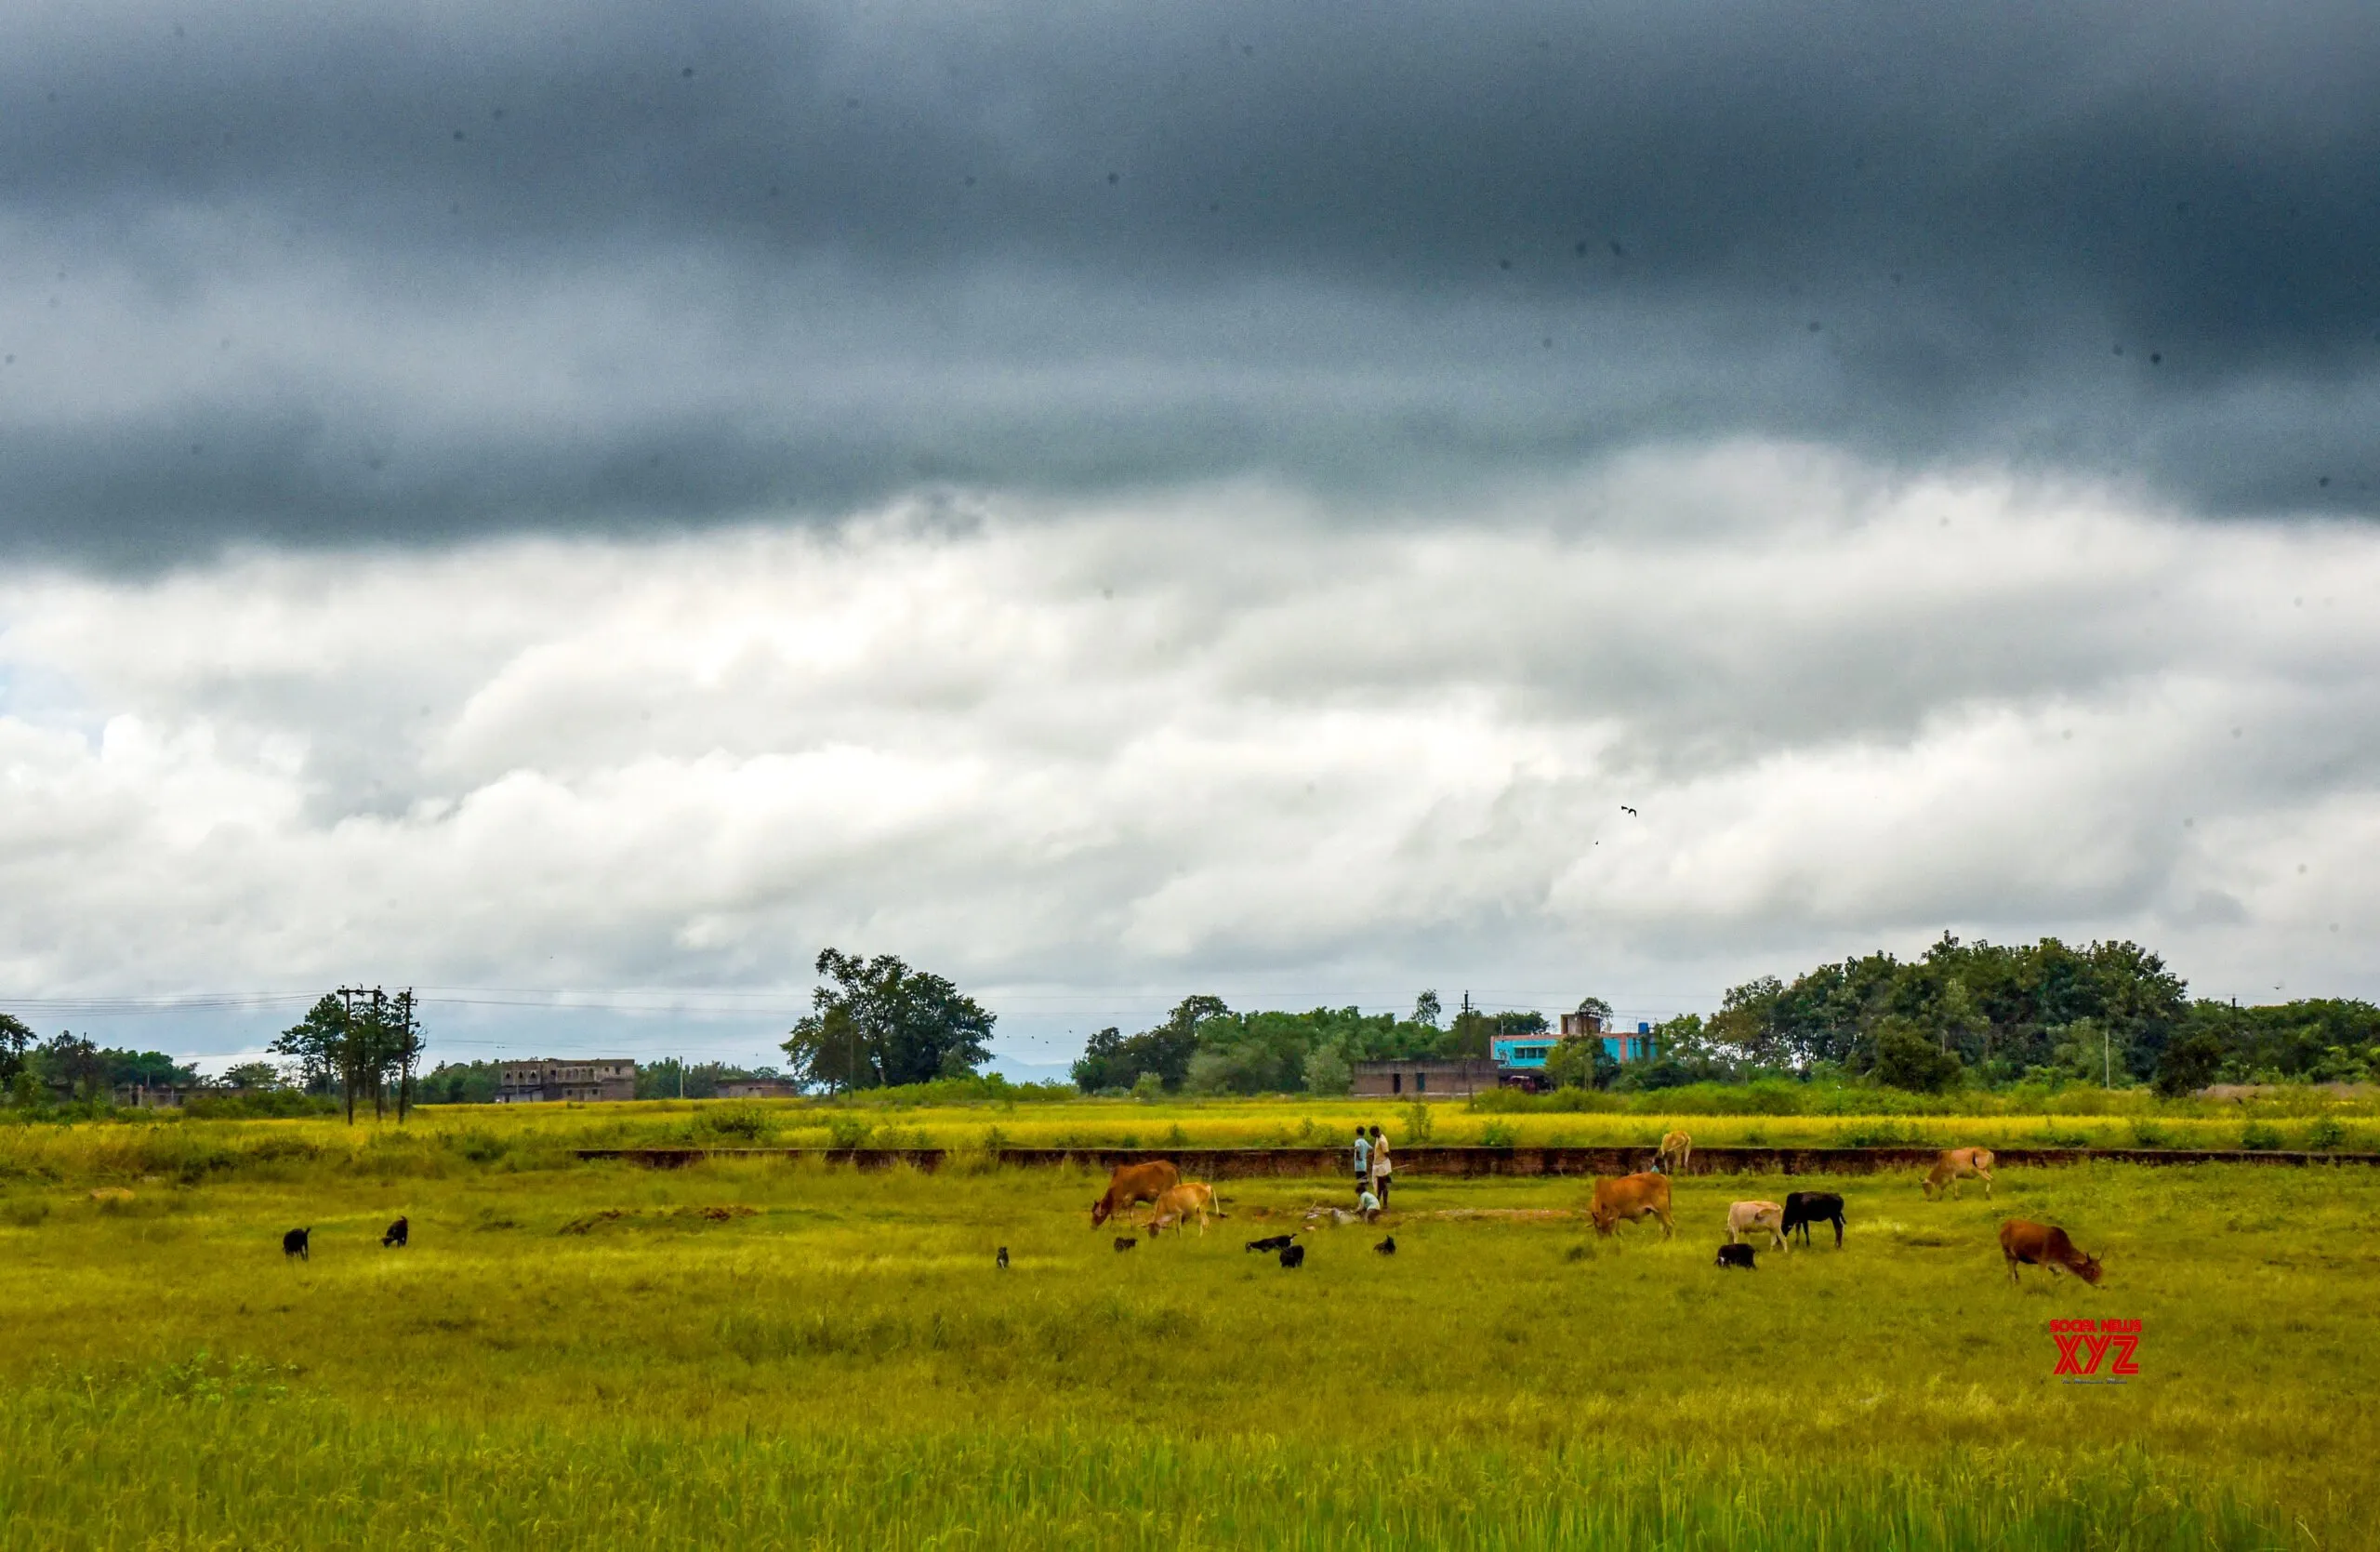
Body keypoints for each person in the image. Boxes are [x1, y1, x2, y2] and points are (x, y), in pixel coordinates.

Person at [1368, 1123, 1392, 1211]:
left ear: (1375, 1133)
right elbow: (1379, 1151)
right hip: (1378, 1164)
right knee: (1379, 1184)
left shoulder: (1382, 1140)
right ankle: (1377, 1200)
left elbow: (1386, 1153)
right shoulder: (1378, 1138)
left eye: (1372, 1134)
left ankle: (1385, 1204)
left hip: (1383, 1165)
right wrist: (1373, 1154)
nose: (1373, 1136)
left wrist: (1390, 1162)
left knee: (1383, 1184)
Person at [1352, 1125, 1371, 1204]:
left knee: (1360, 1183)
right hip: (1364, 1165)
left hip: (1358, 1165)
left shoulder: (1358, 1141)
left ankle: (1362, 1200)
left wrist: (1358, 1157)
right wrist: (1366, 1155)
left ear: (1356, 1133)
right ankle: (1365, 1198)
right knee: (1364, 1182)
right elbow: (1371, 1148)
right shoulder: (1365, 1142)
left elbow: (1357, 1149)